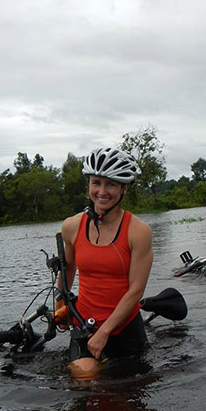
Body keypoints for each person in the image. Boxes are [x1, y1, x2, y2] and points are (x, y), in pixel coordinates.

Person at [59, 147, 153, 378]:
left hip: (124, 327)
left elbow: (136, 289)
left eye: (110, 184)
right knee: (83, 380)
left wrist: (106, 331)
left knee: (128, 395)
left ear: (124, 188)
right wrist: (61, 304)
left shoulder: (138, 231)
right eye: (96, 183)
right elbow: (68, 267)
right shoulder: (72, 226)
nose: (102, 191)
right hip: (85, 324)